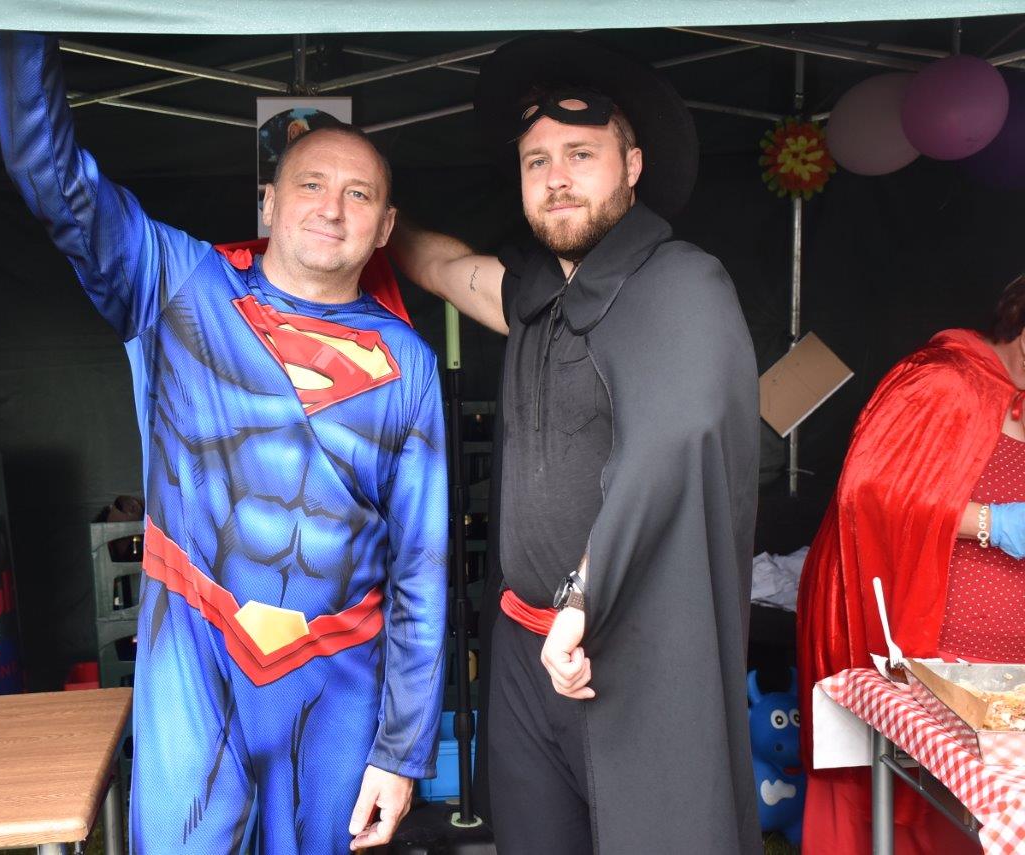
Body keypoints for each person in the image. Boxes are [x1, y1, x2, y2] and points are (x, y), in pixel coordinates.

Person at [0, 32, 448, 854]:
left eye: (358, 194)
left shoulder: (408, 362)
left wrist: (403, 749)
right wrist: (24, 23)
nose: (332, 208)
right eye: (311, 184)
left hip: (340, 679)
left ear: (385, 227)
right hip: (196, 652)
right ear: (268, 202)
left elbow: (422, 563)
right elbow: (51, 177)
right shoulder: (177, 285)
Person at [390, 33, 761, 854]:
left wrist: (584, 598)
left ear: (633, 166)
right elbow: (445, 268)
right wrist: (378, 214)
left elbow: (669, 445)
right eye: (537, 161)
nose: (556, 177)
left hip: (624, 654)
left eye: (581, 154)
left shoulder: (679, 285)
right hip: (524, 654)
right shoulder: (535, 294)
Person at [797, 276, 1025, 855]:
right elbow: (869, 492)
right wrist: (993, 524)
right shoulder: (943, 380)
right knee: (925, 818)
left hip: (1008, 683)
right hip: (937, 667)